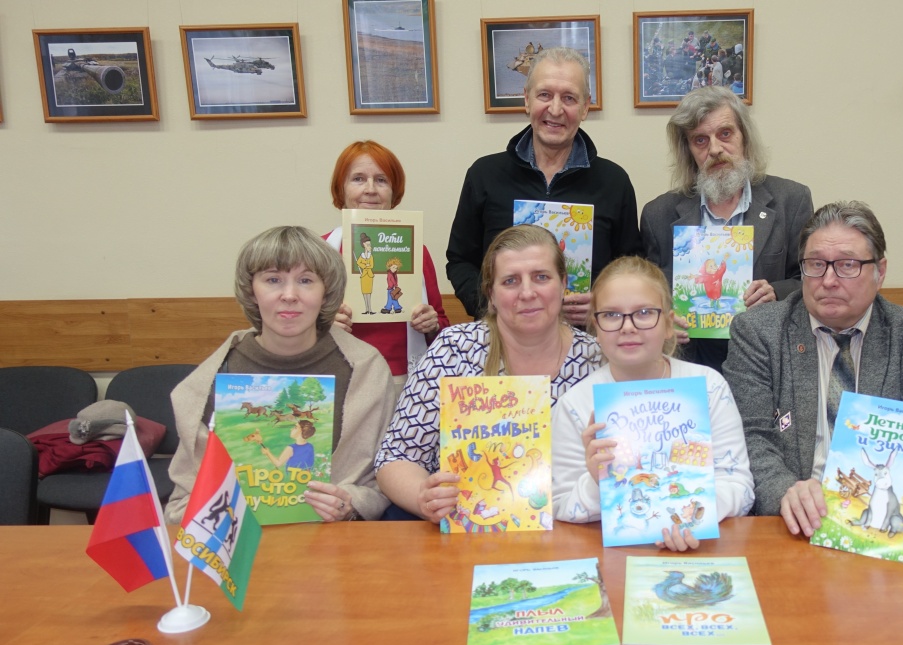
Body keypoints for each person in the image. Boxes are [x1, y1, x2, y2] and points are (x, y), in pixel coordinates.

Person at [724, 201, 903, 552]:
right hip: (789, 525)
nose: (828, 281)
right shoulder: (759, 332)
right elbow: (748, 435)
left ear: (880, 271)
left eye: (847, 265)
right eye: (816, 265)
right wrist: (785, 491)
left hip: (879, 527)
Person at [166, 226, 396, 523]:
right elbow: (183, 499)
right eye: (273, 280)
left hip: (335, 540)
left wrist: (350, 504)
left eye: (306, 280)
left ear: (326, 292)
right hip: (238, 539)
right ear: (252, 290)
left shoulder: (366, 370)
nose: (289, 295)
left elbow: (383, 481)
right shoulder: (213, 377)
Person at [376, 225, 602, 522]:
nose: (527, 292)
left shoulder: (596, 358)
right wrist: (423, 497)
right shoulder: (454, 349)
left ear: (563, 284)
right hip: (463, 528)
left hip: (571, 527)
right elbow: (396, 457)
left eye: (541, 277)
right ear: (490, 294)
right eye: (510, 281)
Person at [552, 257, 754, 551]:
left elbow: (740, 488)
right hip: (609, 552)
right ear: (595, 327)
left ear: (669, 324)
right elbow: (560, 505)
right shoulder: (575, 405)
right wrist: (596, 482)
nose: (628, 326)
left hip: (699, 547)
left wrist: (694, 515)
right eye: (611, 315)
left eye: (645, 313)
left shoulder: (709, 387)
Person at [446, 47, 642, 327]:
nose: (555, 109)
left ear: (585, 107)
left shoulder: (614, 181)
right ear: (527, 100)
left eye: (569, 98)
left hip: (589, 340)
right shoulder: (484, 175)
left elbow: (631, 269)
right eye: (545, 95)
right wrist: (486, 304)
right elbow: (460, 259)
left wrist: (604, 305)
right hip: (503, 336)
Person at [640, 85, 813, 373]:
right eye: (700, 140)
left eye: (725, 134)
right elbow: (645, 295)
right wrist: (662, 320)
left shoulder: (791, 201)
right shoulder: (658, 214)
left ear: (744, 137)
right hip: (688, 364)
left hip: (768, 363)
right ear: (688, 150)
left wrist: (776, 292)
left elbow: (810, 279)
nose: (715, 149)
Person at [327, 140, 450, 379]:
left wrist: (431, 324)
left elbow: (442, 325)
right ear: (341, 189)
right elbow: (292, 328)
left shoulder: (417, 251)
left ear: (394, 192)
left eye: (381, 180)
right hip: (341, 378)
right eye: (358, 179)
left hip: (404, 379)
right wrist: (320, 326)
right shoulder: (319, 251)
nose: (370, 189)